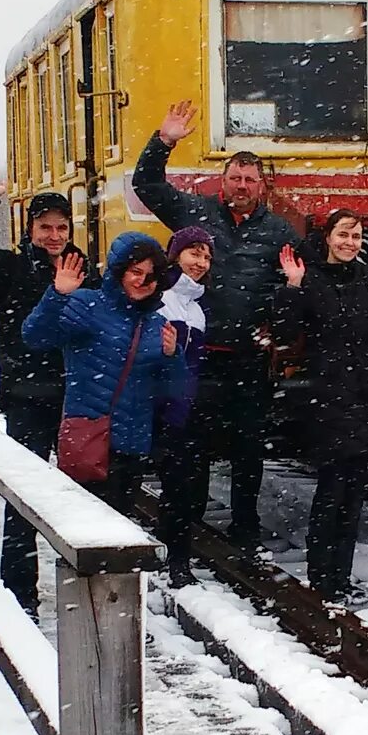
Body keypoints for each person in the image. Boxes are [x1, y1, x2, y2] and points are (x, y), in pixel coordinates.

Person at [131, 100, 305, 545]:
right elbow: (146, 184)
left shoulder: (280, 232)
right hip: (198, 357)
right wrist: (164, 140)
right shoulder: (195, 212)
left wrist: (276, 327)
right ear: (222, 182)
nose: (241, 186)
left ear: (262, 187)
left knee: (249, 448)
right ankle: (191, 524)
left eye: (249, 180)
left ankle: (245, 526)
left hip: (249, 359)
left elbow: (292, 283)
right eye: (234, 179)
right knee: (194, 444)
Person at [270, 207, 368, 606]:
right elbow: (286, 333)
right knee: (331, 490)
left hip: (365, 397)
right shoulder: (311, 280)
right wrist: (292, 287)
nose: (349, 243)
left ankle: (338, 577)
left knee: (353, 493)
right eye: (343, 235)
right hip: (329, 398)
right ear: (328, 237)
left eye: (356, 236)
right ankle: (322, 577)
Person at [0, 163, 86, 608]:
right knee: (23, 498)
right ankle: (20, 594)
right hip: (27, 397)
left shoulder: (82, 269)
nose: (54, 236)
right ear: (30, 228)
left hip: (77, 396)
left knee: (80, 496)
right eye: (45, 227)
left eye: (62, 227)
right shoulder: (8, 269)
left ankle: (82, 586)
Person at [20, 231, 178, 511]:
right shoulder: (87, 304)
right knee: (86, 529)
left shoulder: (156, 322)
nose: (142, 281)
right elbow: (35, 337)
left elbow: (171, 389)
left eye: (151, 276)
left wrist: (172, 356)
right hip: (92, 440)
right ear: (118, 271)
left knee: (122, 528)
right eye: (135, 271)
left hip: (134, 445)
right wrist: (56, 295)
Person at [154, 226, 218, 586]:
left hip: (185, 408)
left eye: (206, 256)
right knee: (177, 488)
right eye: (194, 253)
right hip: (161, 407)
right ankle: (175, 563)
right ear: (175, 254)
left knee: (188, 490)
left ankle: (173, 554)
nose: (200, 262)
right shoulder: (162, 299)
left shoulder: (196, 306)